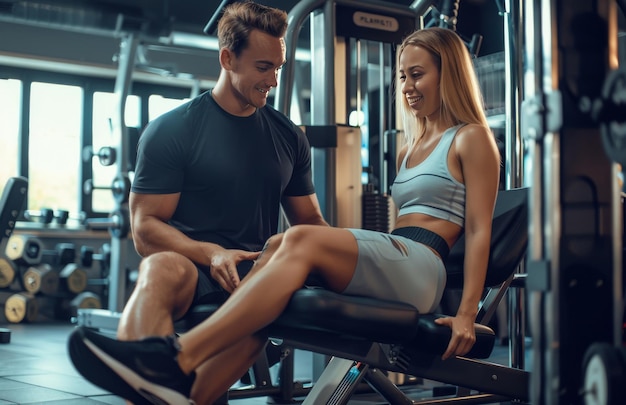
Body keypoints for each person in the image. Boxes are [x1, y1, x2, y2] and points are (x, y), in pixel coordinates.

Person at [68, 26, 501, 405]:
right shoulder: (409, 148)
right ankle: (177, 392)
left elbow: (480, 228)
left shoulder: (472, 138)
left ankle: (177, 357)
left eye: (418, 74)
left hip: (424, 268)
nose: (407, 85)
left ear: (450, 75)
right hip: (398, 258)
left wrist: (468, 315)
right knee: (277, 247)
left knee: (295, 240)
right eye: (402, 76)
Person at [98, 1, 327, 403]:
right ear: (227, 58)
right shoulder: (173, 130)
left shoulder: (289, 136)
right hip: (194, 268)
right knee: (160, 267)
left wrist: (359, 264)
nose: (273, 79)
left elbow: (310, 222)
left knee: (264, 294)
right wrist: (212, 253)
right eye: (263, 67)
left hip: (258, 275)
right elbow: (145, 228)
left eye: (278, 68)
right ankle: (140, 370)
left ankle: (159, 391)